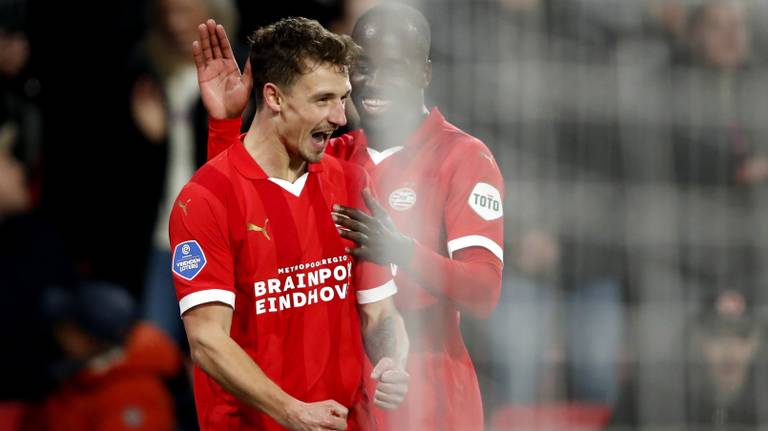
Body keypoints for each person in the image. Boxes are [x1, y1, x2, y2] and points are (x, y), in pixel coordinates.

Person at [203, 4, 505, 429]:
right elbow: (234, 212)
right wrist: (225, 125)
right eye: (362, 66)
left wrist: (401, 249)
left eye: (394, 68)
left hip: (431, 395)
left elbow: (484, 293)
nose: (375, 82)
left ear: (424, 74)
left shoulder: (462, 157)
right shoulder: (336, 157)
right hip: (348, 399)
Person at [171, 17, 409, 431]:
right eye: (323, 100)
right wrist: (291, 410)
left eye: (343, 98)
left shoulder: (351, 182)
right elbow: (208, 342)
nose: (340, 116)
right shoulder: (203, 200)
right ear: (275, 97)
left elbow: (380, 310)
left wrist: (393, 361)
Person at [29, 281, 182, 431]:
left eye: (67, 328)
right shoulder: (82, 373)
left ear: (91, 340)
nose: (59, 334)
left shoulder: (136, 396)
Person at [607, 288, 768, 429]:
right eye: (717, 334)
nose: (730, 348)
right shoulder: (648, 397)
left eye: (742, 335)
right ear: (696, 339)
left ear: (757, 341)